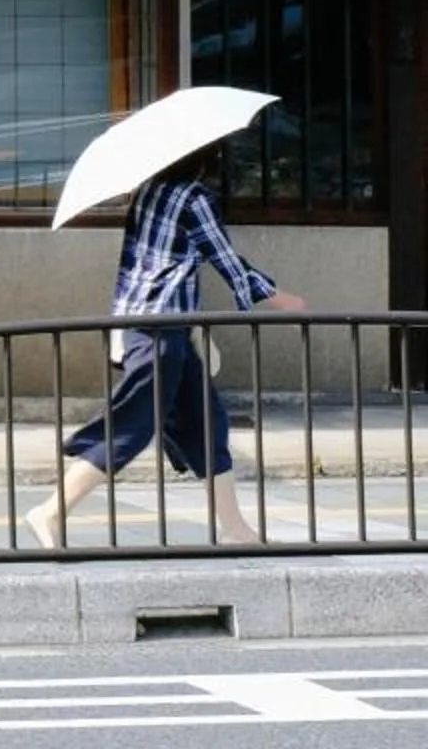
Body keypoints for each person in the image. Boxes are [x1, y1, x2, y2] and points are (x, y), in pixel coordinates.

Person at [24, 144, 310, 548]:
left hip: (148, 324)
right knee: (133, 424)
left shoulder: (150, 190)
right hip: (160, 330)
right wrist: (284, 300)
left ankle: (235, 529)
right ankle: (51, 511)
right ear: (205, 158)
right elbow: (228, 262)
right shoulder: (193, 199)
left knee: (206, 425)